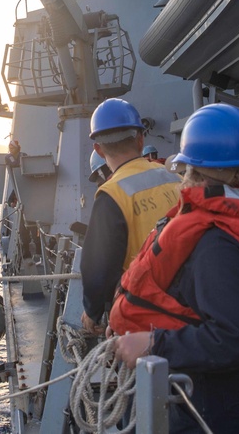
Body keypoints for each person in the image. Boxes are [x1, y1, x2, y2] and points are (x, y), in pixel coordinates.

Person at [109, 104, 239, 434]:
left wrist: (152, 342)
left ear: (198, 171)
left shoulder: (216, 243)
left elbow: (235, 338)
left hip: (234, 404)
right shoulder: (233, 223)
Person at [80, 98, 180, 336]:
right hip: (188, 299)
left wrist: (92, 312)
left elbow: (98, 269)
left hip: (143, 312)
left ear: (99, 149)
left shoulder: (111, 195)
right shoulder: (173, 178)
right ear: (140, 139)